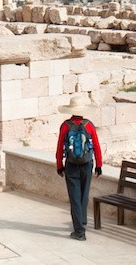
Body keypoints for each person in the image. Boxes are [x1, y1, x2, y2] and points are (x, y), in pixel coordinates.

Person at [55, 95, 103, 241]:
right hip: (87, 164)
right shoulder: (89, 125)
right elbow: (96, 146)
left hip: (71, 166)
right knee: (84, 195)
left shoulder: (65, 126)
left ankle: (79, 232)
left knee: (74, 198)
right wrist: (99, 165)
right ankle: (82, 221)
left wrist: (59, 165)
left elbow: (59, 148)